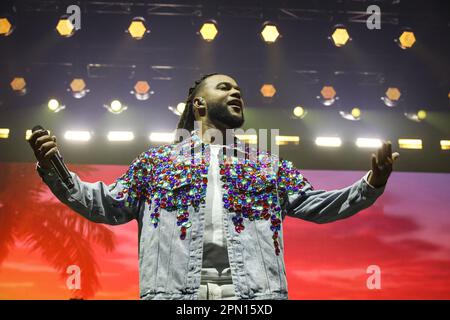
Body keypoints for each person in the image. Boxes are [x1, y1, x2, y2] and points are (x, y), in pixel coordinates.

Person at [28, 73, 399, 300]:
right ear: (199, 103)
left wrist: (372, 182)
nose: (237, 92)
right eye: (225, 87)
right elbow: (104, 204)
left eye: (239, 89)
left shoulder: (266, 166)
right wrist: (54, 166)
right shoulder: (157, 164)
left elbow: (317, 204)